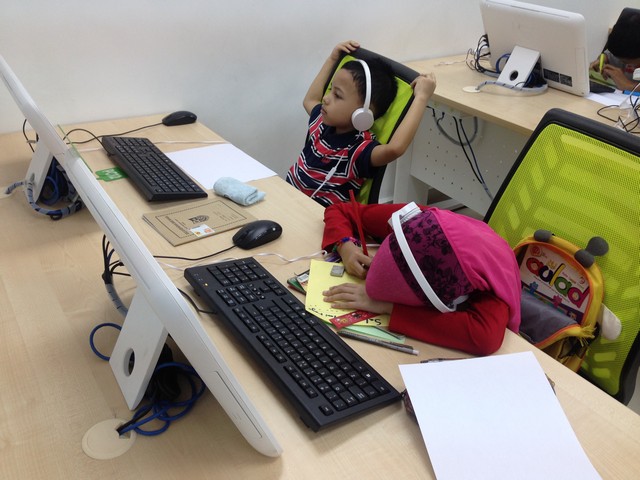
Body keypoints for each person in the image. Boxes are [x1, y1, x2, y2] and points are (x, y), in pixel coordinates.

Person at [320, 201, 522, 356]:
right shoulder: (418, 222)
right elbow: (340, 210)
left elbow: (485, 338)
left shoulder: (488, 283)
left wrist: (386, 306)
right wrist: (345, 246)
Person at [286, 40, 436, 207]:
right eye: (330, 90)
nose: (326, 99)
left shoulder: (358, 150)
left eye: (337, 95)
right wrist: (332, 59)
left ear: (363, 113)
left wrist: (421, 97)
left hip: (318, 216)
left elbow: (395, 149)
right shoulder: (321, 122)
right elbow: (310, 100)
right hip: (288, 197)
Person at [590, 9, 640, 91]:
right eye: (621, 60)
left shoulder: (632, 49)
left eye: (627, 61)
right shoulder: (623, 47)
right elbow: (609, 55)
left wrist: (629, 85)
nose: (623, 62)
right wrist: (602, 59)